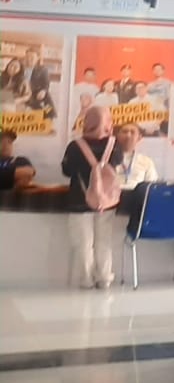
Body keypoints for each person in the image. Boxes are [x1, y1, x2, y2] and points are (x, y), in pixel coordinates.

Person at [63, 106, 124, 288]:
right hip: (107, 201)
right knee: (104, 241)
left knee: (84, 243)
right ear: (108, 122)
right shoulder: (115, 145)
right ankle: (104, 278)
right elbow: (117, 165)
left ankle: (86, 279)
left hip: (79, 200)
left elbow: (67, 171)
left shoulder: (75, 146)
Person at [113, 123, 160, 190]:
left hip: (137, 195)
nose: (128, 135)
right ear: (118, 135)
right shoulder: (107, 158)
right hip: (112, 194)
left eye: (132, 132)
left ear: (139, 137)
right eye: (124, 132)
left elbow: (151, 186)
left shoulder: (146, 161)